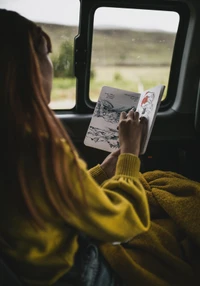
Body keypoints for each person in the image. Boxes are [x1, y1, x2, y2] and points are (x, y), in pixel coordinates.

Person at [1, 9, 200, 286]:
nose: (52, 64)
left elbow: (58, 197)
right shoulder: (42, 153)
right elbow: (123, 226)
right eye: (46, 53)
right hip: (78, 273)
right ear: (24, 66)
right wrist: (129, 154)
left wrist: (103, 171)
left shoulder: (12, 144)